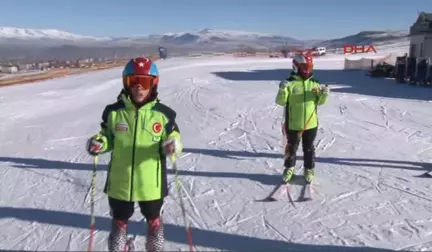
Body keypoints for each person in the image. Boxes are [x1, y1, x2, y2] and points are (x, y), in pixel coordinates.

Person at [86, 56, 182, 251]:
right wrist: (99, 143)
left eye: (145, 82)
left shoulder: (164, 114)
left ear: (153, 84)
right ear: (126, 83)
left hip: (151, 184)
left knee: (154, 224)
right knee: (118, 228)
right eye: (134, 81)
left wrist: (173, 145)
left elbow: (175, 137)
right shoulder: (114, 112)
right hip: (120, 182)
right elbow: (106, 136)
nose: (139, 87)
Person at [275, 53, 329, 185]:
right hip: (294, 123)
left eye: (310, 67)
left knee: (309, 148)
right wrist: (283, 90)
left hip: (311, 124)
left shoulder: (314, 84)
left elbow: (320, 102)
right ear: (296, 67)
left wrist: (324, 94)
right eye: (304, 67)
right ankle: (289, 168)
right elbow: (281, 101)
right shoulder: (290, 83)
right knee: (291, 147)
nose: (307, 70)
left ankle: (309, 170)